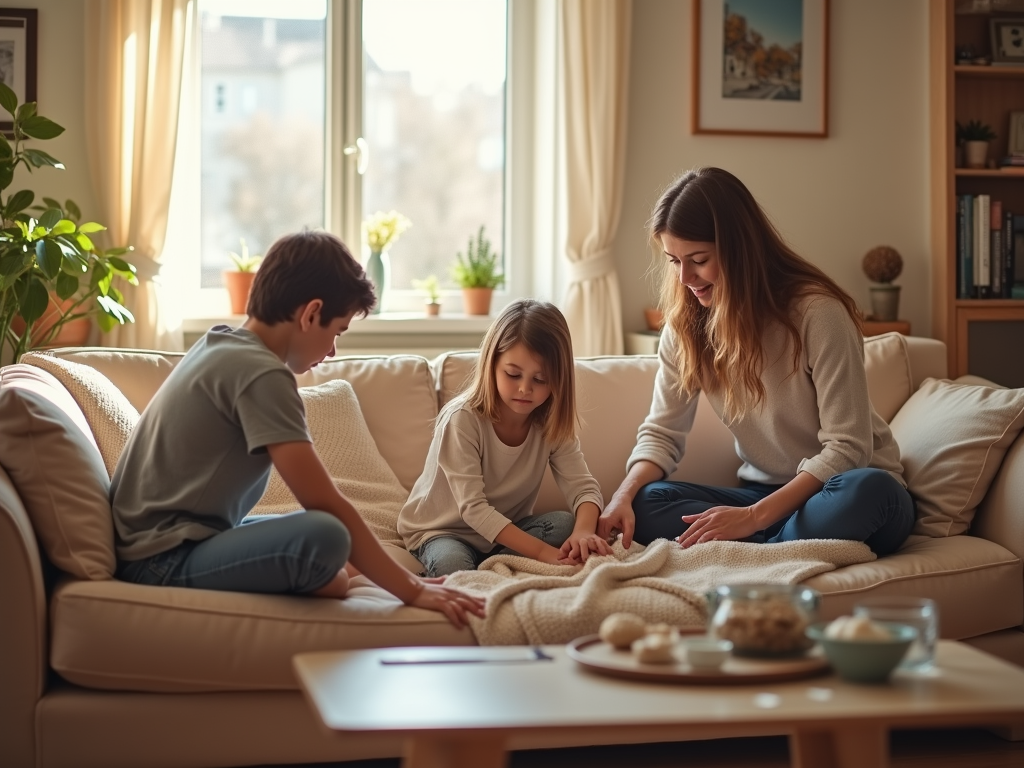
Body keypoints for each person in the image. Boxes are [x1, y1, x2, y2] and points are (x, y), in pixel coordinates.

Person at [111, 230, 485, 628]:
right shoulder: (262, 374)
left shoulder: (219, 344)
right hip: (161, 561)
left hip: (161, 546)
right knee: (326, 535)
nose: (332, 352)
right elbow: (324, 502)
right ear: (310, 314)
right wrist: (413, 589)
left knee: (308, 532)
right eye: (337, 331)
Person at [597, 167, 915, 556]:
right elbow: (662, 434)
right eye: (674, 261)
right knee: (649, 501)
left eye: (698, 259)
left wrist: (750, 518)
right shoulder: (685, 329)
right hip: (764, 493)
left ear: (739, 250)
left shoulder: (818, 314)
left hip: (842, 487)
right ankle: (779, 545)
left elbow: (848, 448)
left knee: (872, 491)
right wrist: (621, 498)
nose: (684, 278)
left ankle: (755, 544)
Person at [399, 299, 613, 577]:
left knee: (563, 523)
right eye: (513, 374)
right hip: (444, 531)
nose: (525, 389)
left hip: (503, 533)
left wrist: (584, 532)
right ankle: (495, 565)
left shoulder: (550, 422)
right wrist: (542, 553)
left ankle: (494, 563)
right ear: (492, 364)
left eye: (540, 380)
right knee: (453, 564)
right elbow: (474, 510)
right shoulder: (462, 419)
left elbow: (583, 488)